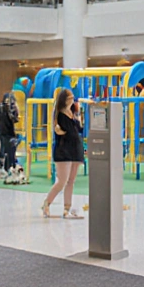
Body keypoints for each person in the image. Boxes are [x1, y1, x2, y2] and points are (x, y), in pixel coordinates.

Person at [41, 88, 86, 219]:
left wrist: (78, 119)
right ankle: (47, 203)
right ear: (65, 100)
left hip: (75, 149)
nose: (73, 100)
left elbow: (79, 130)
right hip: (63, 151)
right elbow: (69, 132)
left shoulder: (72, 114)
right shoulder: (60, 115)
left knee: (71, 181)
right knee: (62, 181)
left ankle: (67, 208)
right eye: (70, 97)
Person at [0, 93, 20, 174]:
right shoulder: (8, 108)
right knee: (9, 149)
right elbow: (15, 119)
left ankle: (4, 167)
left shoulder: (0, 108)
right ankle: (9, 167)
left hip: (2, 130)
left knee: (4, 148)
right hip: (8, 131)